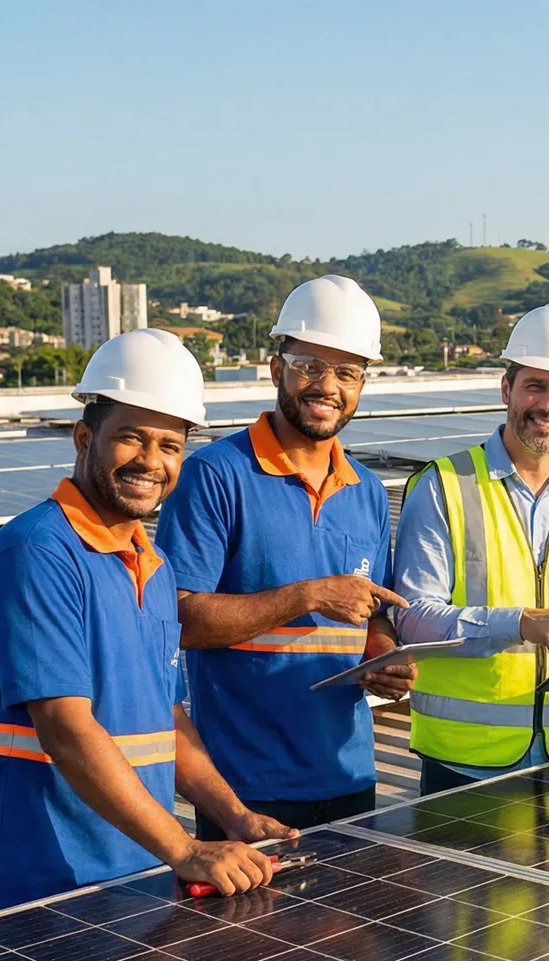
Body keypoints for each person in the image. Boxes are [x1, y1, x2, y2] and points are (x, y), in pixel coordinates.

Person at [0, 330, 294, 921]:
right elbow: (65, 727)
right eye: (131, 437)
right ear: (85, 438)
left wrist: (235, 816)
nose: (151, 462)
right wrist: (184, 848)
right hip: (33, 890)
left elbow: (167, 717)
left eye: (170, 445)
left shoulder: (153, 567)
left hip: (132, 878)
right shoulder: (37, 553)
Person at [156, 275, 412, 839]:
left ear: (362, 385)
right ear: (277, 371)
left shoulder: (366, 489)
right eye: (310, 366)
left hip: (348, 772)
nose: (328, 386)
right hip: (247, 787)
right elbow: (175, 619)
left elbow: (374, 614)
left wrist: (385, 656)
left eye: (347, 373)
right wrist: (309, 594)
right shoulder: (216, 475)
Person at [393, 303, 549, 793]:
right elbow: (414, 618)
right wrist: (518, 623)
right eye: (535, 386)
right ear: (507, 389)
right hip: (462, 762)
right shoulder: (443, 485)